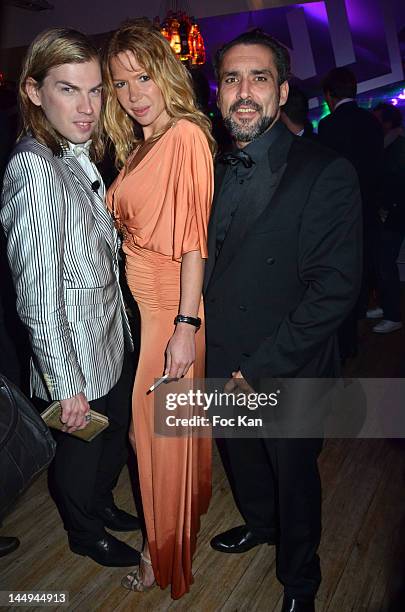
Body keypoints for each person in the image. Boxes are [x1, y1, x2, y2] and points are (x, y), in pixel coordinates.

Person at [204, 30, 362, 612]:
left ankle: (301, 578)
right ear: (217, 93)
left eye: (259, 78)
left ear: (283, 90)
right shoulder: (211, 168)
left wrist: (260, 366)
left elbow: (335, 289)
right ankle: (259, 526)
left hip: (284, 363)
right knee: (242, 459)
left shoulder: (326, 171)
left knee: (294, 477)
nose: (244, 93)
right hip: (218, 357)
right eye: (231, 80)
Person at [0, 28, 140, 568]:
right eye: (68, 90)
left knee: (110, 443)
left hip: (108, 339)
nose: (87, 107)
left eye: (96, 90)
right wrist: (66, 387)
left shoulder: (74, 153)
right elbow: (36, 298)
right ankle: (84, 530)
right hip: (74, 360)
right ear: (34, 92)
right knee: (80, 459)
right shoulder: (33, 168)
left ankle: (101, 505)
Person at [103, 19, 214, 598]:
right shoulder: (145, 141)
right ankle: (170, 533)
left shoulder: (186, 137)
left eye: (143, 77)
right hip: (149, 310)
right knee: (157, 438)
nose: (133, 94)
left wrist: (184, 328)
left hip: (171, 312)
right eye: (119, 84)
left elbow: (194, 243)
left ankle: (159, 554)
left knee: (155, 441)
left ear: (166, 73)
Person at [318, 67, 384, 359]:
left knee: (342, 269)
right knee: (363, 264)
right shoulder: (372, 122)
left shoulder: (329, 125)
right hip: (368, 206)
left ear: (329, 95)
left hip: (340, 211)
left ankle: (344, 336)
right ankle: (356, 321)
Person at [367, 103, 405, 333]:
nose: (374, 124)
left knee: (385, 264)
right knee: (383, 263)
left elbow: (394, 183)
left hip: (395, 214)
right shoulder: (390, 144)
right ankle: (386, 307)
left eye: (377, 120)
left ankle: (393, 315)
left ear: (388, 123)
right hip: (392, 212)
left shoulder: (397, 146)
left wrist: (386, 208)